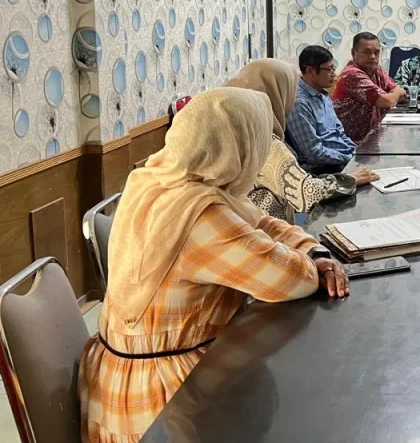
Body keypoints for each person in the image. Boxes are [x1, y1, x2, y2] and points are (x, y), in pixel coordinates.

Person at [78, 88, 350, 442]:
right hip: (163, 404)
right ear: (238, 146)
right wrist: (313, 267)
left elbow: (265, 223)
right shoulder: (198, 215)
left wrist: (315, 253)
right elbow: (288, 279)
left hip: (131, 373)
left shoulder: (159, 178)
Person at [225, 59, 379, 222]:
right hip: (263, 230)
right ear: (276, 94)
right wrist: (351, 179)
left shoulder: (230, 129)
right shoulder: (264, 141)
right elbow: (306, 193)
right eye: (291, 91)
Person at [285, 45, 357, 174]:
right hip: (322, 170)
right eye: (329, 69)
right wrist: (349, 158)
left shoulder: (323, 95)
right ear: (311, 71)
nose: (334, 74)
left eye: (334, 68)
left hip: (341, 160)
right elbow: (314, 152)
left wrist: (356, 152)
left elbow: (339, 133)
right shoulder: (299, 103)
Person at [333, 32, 407, 142]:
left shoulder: (376, 69)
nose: (372, 57)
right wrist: (394, 94)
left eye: (376, 52)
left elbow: (402, 95)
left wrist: (394, 95)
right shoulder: (352, 74)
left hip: (373, 137)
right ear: (353, 53)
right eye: (367, 52)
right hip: (350, 143)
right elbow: (387, 101)